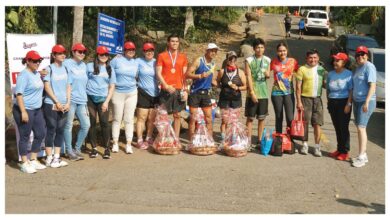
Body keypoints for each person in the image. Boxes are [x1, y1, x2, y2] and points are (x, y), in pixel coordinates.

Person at [13, 50, 46, 173]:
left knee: (40, 133)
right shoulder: (23, 75)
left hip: (37, 109)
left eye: (39, 60)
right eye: (34, 61)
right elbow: (19, 95)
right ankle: (24, 162)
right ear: (27, 61)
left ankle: (33, 159)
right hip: (25, 109)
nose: (37, 63)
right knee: (24, 136)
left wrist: (42, 73)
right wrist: (23, 111)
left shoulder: (36, 73)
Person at [156, 34, 188, 141]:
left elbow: (185, 75)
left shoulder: (183, 57)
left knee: (177, 115)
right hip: (166, 89)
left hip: (179, 90)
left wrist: (186, 90)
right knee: (163, 115)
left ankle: (176, 139)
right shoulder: (162, 55)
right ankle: (163, 138)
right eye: (172, 41)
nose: (175, 43)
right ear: (168, 43)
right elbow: (158, 73)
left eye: (177, 41)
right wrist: (165, 85)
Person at [42, 44, 70, 168]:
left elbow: (69, 86)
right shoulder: (48, 69)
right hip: (51, 104)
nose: (63, 55)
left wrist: (68, 102)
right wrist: (56, 101)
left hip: (64, 105)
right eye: (59, 53)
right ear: (53, 55)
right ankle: (49, 158)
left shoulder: (66, 69)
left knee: (60, 130)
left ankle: (57, 158)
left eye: (64, 53)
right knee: (51, 129)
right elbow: (47, 87)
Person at [296, 49, 327, 157]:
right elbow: (298, 87)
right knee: (305, 123)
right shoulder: (302, 69)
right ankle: (305, 144)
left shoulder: (322, 70)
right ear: (307, 58)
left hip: (317, 100)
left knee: (317, 124)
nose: (313, 60)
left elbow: (325, 84)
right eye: (310, 58)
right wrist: (299, 101)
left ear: (318, 58)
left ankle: (317, 147)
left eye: (315, 58)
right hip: (305, 99)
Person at [86, 46, 115, 159]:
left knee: (104, 123)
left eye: (106, 55)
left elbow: (112, 87)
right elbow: (82, 79)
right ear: (97, 55)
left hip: (103, 99)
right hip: (90, 98)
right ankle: (94, 148)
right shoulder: (89, 66)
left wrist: (106, 102)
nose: (104, 57)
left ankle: (107, 148)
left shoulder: (110, 69)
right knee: (92, 123)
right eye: (101, 54)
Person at [110, 41, 139, 154]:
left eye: (133, 49)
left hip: (132, 93)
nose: (131, 51)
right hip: (118, 92)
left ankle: (128, 144)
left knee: (129, 119)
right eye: (128, 49)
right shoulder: (116, 60)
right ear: (124, 50)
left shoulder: (136, 62)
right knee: (117, 119)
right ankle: (115, 143)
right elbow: (107, 69)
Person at [185, 43, 219, 141]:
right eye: (211, 50)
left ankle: (209, 140)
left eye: (215, 51)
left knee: (209, 118)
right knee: (192, 118)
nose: (213, 53)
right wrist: (199, 76)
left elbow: (211, 79)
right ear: (207, 51)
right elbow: (187, 74)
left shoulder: (213, 64)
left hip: (206, 93)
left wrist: (217, 83)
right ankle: (191, 141)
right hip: (195, 92)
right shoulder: (199, 60)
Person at [63, 43, 91, 161]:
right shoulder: (66, 63)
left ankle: (77, 149)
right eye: (79, 51)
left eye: (84, 52)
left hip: (82, 100)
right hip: (70, 100)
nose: (82, 53)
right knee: (68, 125)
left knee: (86, 125)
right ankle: (69, 151)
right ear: (73, 52)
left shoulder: (84, 65)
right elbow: (54, 70)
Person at [351, 46, 377, 168]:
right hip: (357, 101)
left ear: (367, 55)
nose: (360, 56)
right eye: (358, 54)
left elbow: (372, 86)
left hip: (366, 102)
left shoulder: (369, 67)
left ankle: (361, 156)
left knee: (361, 127)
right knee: (360, 128)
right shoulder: (357, 68)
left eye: (363, 54)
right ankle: (363, 154)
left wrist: (366, 102)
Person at [244, 38, 271, 149]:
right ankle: (248, 141)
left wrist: (267, 74)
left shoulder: (267, 60)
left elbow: (268, 74)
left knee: (261, 118)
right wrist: (252, 92)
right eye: (257, 48)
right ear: (254, 49)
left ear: (264, 48)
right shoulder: (249, 60)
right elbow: (248, 76)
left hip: (264, 93)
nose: (260, 49)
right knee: (250, 118)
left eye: (261, 47)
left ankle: (259, 141)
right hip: (252, 93)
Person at [216, 51, 247, 146]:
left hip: (236, 100)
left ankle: (233, 139)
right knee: (224, 121)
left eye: (234, 58)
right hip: (224, 99)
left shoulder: (240, 72)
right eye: (230, 58)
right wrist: (222, 88)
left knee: (234, 121)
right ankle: (223, 139)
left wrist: (237, 87)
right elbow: (217, 83)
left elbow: (246, 86)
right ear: (227, 60)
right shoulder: (222, 71)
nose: (232, 60)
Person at [326, 52, 353, 161]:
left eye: (338, 60)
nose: (335, 62)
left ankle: (345, 151)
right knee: (337, 127)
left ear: (344, 62)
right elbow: (328, 89)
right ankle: (339, 148)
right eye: (334, 60)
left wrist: (348, 104)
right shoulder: (330, 74)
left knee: (343, 127)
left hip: (344, 102)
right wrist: (328, 102)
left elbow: (351, 91)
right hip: (333, 102)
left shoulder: (349, 74)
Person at [270, 43, 298, 136]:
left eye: (284, 50)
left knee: (290, 118)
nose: (282, 52)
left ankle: (290, 139)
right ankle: (279, 139)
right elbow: (265, 72)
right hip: (276, 93)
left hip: (289, 93)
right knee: (279, 117)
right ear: (277, 52)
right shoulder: (273, 62)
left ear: (287, 51)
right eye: (280, 51)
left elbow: (300, 74)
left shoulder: (293, 61)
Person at [135, 42, 159, 150]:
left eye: (151, 51)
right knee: (142, 117)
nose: (149, 53)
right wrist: (120, 57)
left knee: (151, 118)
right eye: (147, 51)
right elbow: (129, 66)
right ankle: (139, 140)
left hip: (155, 93)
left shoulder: (156, 62)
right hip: (143, 92)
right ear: (143, 52)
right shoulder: (138, 61)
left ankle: (148, 137)